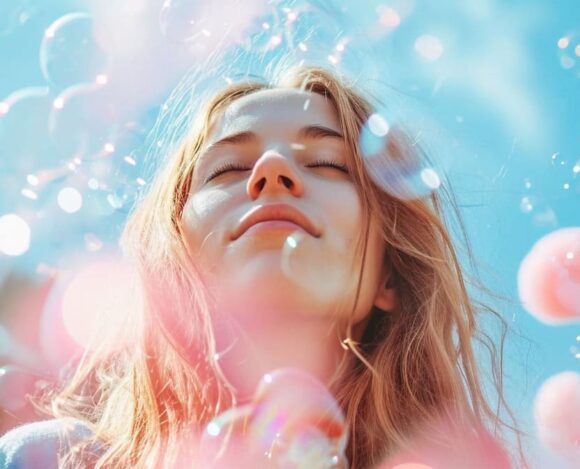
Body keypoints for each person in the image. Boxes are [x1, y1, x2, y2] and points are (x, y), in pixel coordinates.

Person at [0, 64, 525, 468]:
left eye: (327, 164)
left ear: (389, 278)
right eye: (227, 169)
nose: (273, 169)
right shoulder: (49, 461)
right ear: (177, 262)